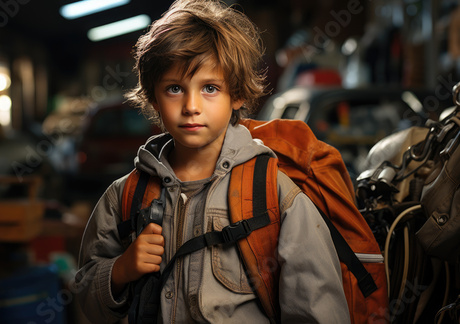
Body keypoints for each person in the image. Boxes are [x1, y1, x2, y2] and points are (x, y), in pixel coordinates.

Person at [73, 0, 350, 322]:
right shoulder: (124, 196)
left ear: (238, 95)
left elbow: (317, 311)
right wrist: (120, 270)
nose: (191, 105)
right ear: (153, 98)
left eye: (209, 88)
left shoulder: (274, 194)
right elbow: (85, 298)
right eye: (175, 88)